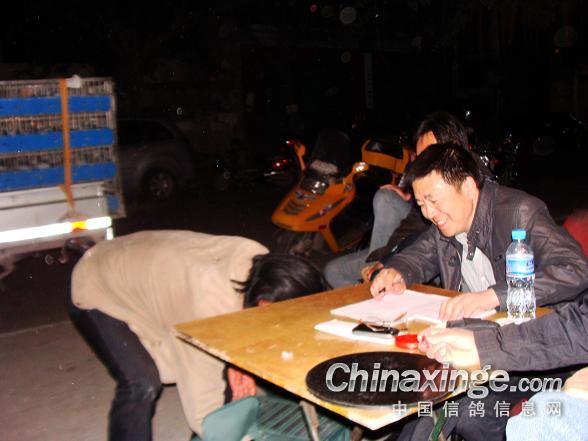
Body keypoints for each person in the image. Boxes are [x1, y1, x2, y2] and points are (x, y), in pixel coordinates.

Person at [369, 143, 588, 440]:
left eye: (433, 200)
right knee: (418, 384)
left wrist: (494, 295)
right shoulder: (446, 224)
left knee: (469, 412)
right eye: (421, 204)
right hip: (481, 339)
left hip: (540, 347)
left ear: (468, 187)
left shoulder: (519, 212)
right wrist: (396, 271)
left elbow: (575, 269)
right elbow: (418, 255)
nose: (429, 213)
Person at [68, 230, 330, 441]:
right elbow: (202, 398)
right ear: (263, 305)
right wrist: (224, 432)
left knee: (225, 369)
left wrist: (240, 366)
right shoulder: (206, 308)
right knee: (142, 382)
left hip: (146, 272)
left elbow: (252, 329)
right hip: (97, 282)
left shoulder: (262, 262)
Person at [324, 111, 472, 288]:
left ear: (454, 149)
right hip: (409, 251)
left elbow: (427, 242)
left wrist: (390, 265)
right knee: (332, 271)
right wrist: (386, 261)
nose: (423, 165)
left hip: (432, 262)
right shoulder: (425, 193)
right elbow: (414, 229)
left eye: (430, 155)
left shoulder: (483, 195)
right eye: (420, 158)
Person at [419, 290, 588, 441]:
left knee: (536, 423)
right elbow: (580, 326)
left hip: (551, 358)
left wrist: (493, 296)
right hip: (522, 340)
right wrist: (483, 345)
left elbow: (572, 270)